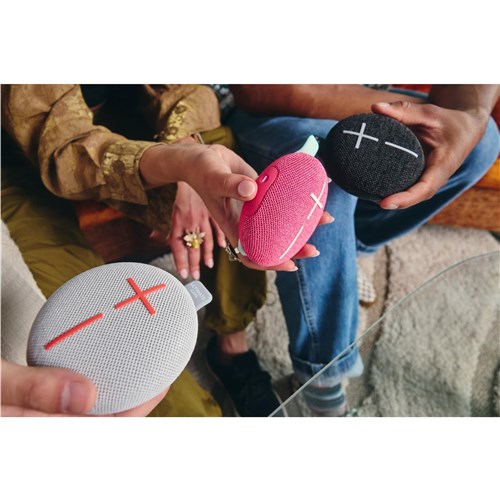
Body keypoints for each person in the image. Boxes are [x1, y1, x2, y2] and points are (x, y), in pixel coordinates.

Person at [1, 84, 322, 417]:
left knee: (217, 151)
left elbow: (187, 90)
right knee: (86, 356)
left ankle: (231, 342)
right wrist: (177, 163)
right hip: (21, 160)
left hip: (125, 123)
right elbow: (63, 152)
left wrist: (187, 150)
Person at [221, 84, 500, 416]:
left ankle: (351, 247)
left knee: (483, 139)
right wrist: (386, 119)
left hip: (366, 99)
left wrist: (470, 117)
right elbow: (263, 91)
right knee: (321, 173)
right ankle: (322, 372)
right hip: (264, 108)